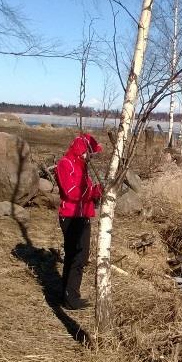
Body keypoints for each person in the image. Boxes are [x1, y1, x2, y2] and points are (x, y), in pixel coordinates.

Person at [55, 133, 103, 310]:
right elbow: (71, 192)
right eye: (90, 153)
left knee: (78, 256)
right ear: (82, 150)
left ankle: (69, 294)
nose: (91, 157)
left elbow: (86, 192)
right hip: (70, 216)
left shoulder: (83, 167)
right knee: (77, 256)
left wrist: (99, 191)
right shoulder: (65, 164)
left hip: (83, 216)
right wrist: (92, 192)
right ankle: (70, 297)